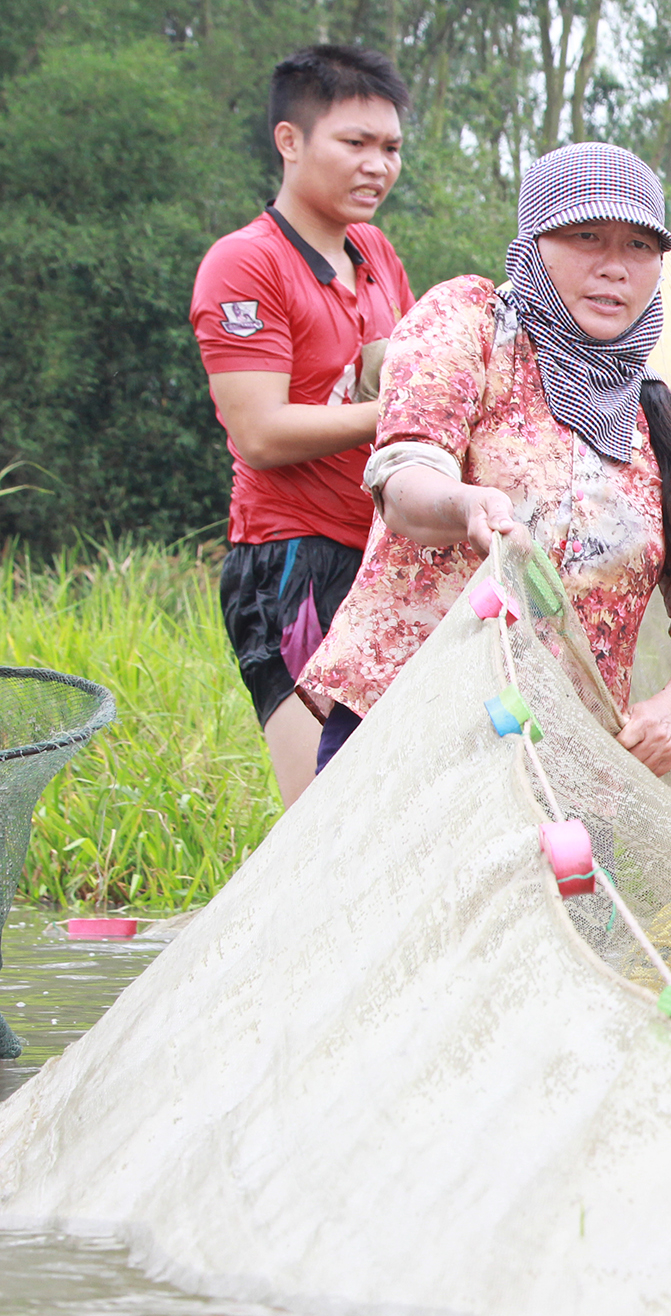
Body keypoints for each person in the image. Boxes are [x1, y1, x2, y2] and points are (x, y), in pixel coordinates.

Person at [299, 143, 671, 778]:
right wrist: (464, 505)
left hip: (564, 762)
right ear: (535, 242)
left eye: (640, 247)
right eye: (586, 235)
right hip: (409, 730)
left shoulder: (670, 417)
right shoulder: (472, 327)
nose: (614, 268)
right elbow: (405, 476)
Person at [190, 44, 414, 809]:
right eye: (354, 143)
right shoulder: (244, 265)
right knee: (327, 818)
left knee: (395, 804)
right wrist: (401, 413)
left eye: (389, 148)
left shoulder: (376, 253)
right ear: (290, 140)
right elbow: (258, 431)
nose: (376, 166)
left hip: (382, 554)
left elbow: (404, 368)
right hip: (291, 560)